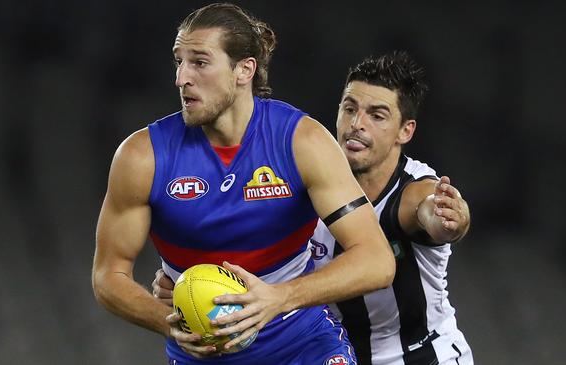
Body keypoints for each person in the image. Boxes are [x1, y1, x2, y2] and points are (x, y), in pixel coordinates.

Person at [92, 3, 396, 364]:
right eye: (179, 61)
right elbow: (108, 275)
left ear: (244, 70)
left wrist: (279, 297)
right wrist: (167, 321)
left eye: (200, 62)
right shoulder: (143, 157)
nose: (181, 78)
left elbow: (376, 260)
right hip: (203, 352)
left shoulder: (302, 142)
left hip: (302, 342)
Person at [155, 52, 474, 364]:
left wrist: (451, 220)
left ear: (406, 130)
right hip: (330, 351)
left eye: (376, 115)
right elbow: (259, 257)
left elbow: (428, 211)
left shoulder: (412, 189)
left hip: (423, 356)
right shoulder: (305, 178)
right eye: (350, 109)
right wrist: (189, 282)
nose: (357, 124)